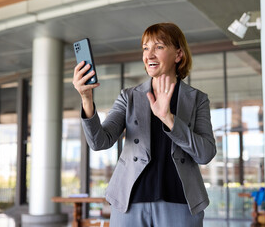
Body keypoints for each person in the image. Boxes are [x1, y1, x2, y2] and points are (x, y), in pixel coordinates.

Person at [72, 22, 216, 227]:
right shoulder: (129, 97)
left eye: (158, 47)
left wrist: (169, 119)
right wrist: (86, 98)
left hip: (180, 202)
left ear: (178, 54)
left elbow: (206, 154)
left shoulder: (197, 99)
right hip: (129, 202)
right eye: (145, 48)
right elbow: (99, 142)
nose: (149, 55)